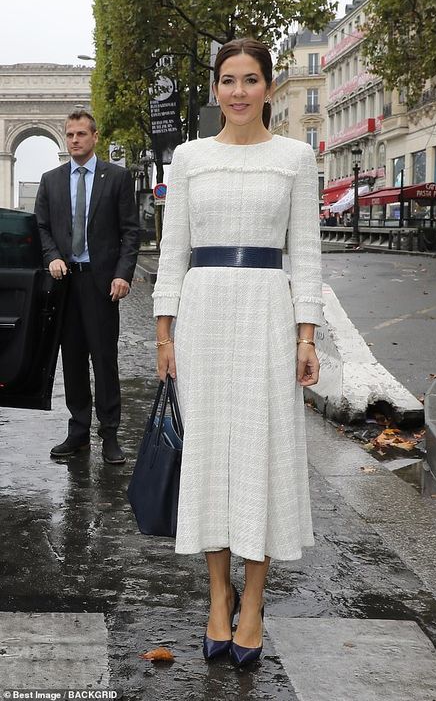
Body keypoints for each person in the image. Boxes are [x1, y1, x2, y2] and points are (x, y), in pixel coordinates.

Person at [153, 38, 322, 665]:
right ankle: (217, 597)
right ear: (215, 89)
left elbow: (305, 252)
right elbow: (172, 252)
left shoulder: (296, 158)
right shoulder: (189, 158)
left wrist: (308, 336)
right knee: (211, 455)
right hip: (202, 315)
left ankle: (253, 603)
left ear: (268, 89)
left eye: (251, 80)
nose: (239, 92)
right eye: (228, 80)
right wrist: (165, 335)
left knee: (262, 453)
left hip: (269, 316)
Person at [35, 110, 140, 464]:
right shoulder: (50, 181)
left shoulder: (117, 178)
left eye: (81, 134)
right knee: (73, 361)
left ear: (95, 137)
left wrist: (123, 273)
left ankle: (109, 433)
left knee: (105, 360)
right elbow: (42, 227)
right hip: (65, 283)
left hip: (103, 284)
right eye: (69, 135)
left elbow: (130, 232)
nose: (75, 139)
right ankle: (78, 431)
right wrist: (51, 255)